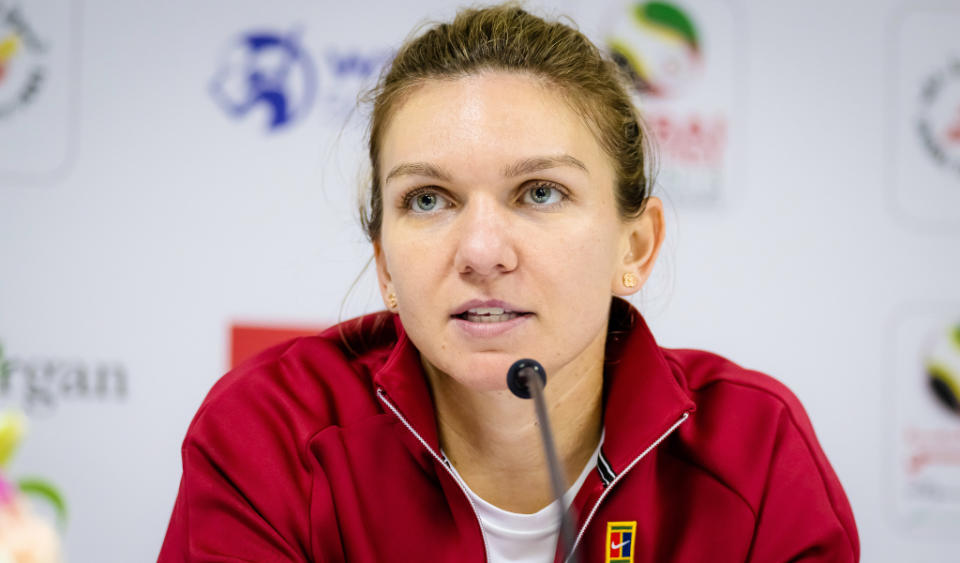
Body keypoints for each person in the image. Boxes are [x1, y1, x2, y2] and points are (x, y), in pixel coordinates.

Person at [159, 4, 859, 562]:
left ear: (635, 245)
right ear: (384, 265)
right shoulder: (268, 435)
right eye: (428, 199)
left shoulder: (756, 450)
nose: (482, 251)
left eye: (541, 193)